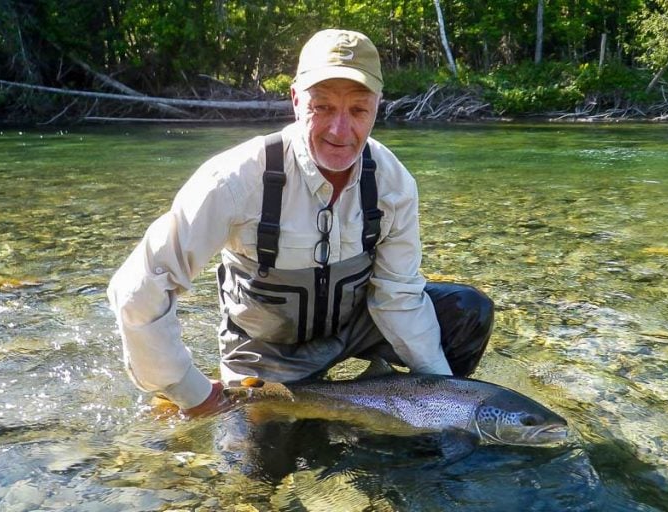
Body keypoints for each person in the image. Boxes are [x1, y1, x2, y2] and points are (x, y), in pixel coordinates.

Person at [107, 29, 493, 417]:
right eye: (322, 107)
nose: (340, 131)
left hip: (353, 333)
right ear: (295, 101)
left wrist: (447, 399)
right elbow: (138, 290)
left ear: (378, 106)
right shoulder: (236, 180)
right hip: (267, 358)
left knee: (466, 311)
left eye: (358, 111)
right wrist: (190, 391)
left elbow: (397, 296)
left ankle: (403, 442)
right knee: (258, 477)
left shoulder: (393, 183)